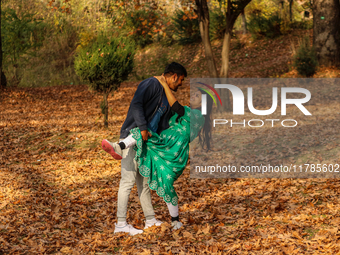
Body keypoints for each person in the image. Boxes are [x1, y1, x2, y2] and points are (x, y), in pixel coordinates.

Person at [102, 75, 213, 231]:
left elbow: (177, 108)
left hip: (172, 151)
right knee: (151, 179)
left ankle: (165, 220)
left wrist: (164, 84)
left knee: (157, 183)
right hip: (163, 144)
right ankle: (119, 146)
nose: (192, 95)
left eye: (197, 96)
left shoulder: (198, 116)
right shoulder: (189, 111)